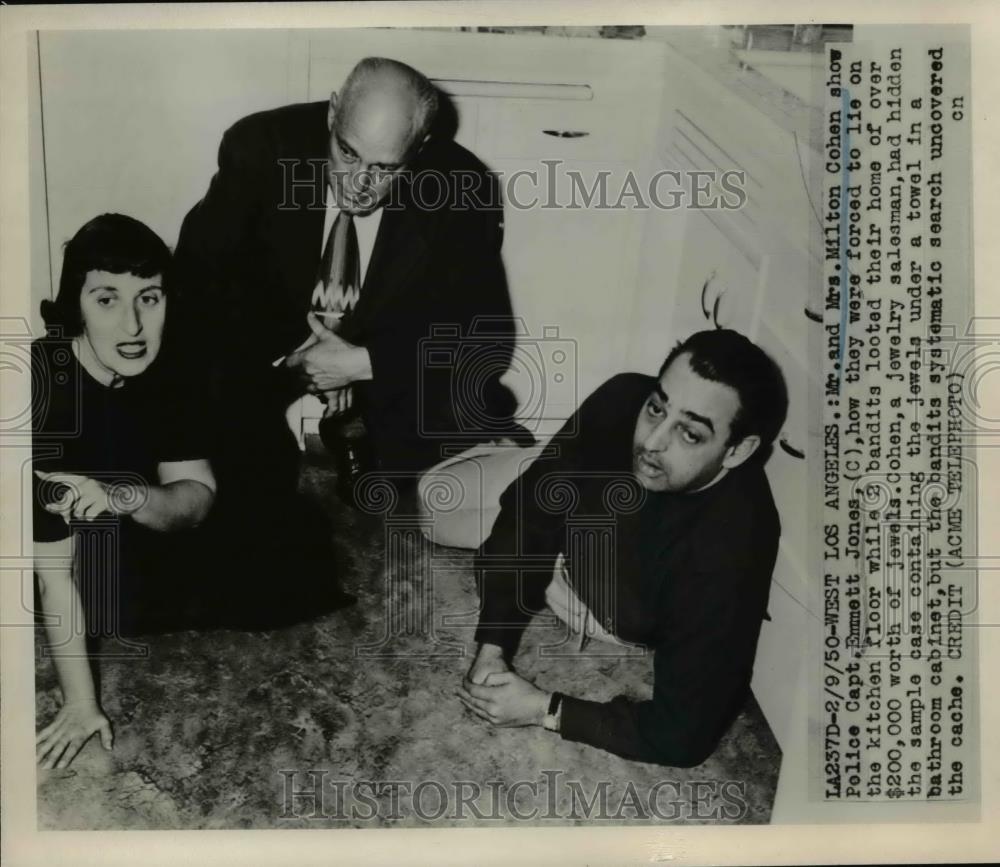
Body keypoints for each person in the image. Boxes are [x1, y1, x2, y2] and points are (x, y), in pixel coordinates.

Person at [31, 214, 349, 770]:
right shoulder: (47, 402)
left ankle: (292, 378)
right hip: (55, 557)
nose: (132, 324)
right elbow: (55, 576)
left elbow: (196, 498)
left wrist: (123, 497)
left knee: (290, 554)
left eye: (148, 298)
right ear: (75, 305)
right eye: (107, 299)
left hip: (120, 516)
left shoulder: (159, 370)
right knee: (115, 597)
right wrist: (81, 703)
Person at [171, 56, 528, 509]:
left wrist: (362, 363)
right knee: (243, 484)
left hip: (380, 343)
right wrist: (297, 359)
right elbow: (194, 286)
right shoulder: (260, 149)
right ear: (332, 112)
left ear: (420, 148)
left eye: (384, 169)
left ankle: (360, 432)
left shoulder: (462, 186)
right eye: (348, 153)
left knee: (469, 428)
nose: (358, 185)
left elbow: (487, 339)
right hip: (271, 343)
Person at [445, 329, 788, 767]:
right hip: (563, 546)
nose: (652, 440)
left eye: (690, 434)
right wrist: (494, 642)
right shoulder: (624, 397)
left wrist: (543, 708)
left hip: (612, 610)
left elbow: (682, 737)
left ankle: (531, 460)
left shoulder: (733, 544)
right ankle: (525, 451)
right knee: (431, 500)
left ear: (738, 451)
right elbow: (531, 511)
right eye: (656, 408)